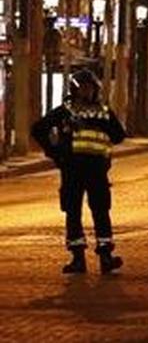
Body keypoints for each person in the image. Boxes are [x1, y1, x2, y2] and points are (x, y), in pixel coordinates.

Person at [31, 70, 127, 274]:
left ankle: (106, 256)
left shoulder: (103, 112)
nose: (87, 91)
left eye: (90, 88)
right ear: (75, 89)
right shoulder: (65, 112)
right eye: (83, 87)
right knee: (73, 212)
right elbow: (38, 129)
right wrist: (55, 153)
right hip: (72, 169)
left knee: (101, 211)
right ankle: (77, 258)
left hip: (97, 170)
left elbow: (119, 135)